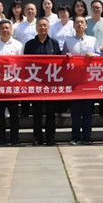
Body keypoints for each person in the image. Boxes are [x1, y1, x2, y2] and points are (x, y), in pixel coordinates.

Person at [24, 18, 62, 146]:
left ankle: (50, 137)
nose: (43, 28)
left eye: (45, 25)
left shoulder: (54, 43)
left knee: (51, 112)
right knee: (37, 112)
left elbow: (59, 61)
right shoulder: (29, 44)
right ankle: (37, 137)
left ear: (48, 27)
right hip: (36, 83)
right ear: (36, 28)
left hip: (50, 84)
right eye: (40, 26)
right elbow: (25, 63)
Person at [63, 16, 100, 145]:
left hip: (88, 81)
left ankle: (87, 137)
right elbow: (61, 58)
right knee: (75, 111)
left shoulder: (92, 40)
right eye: (77, 22)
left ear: (86, 25)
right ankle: (75, 137)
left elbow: (100, 56)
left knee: (87, 111)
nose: (79, 24)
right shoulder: (68, 41)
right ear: (73, 26)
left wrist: (93, 55)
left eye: (82, 22)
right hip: (74, 81)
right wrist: (66, 56)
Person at [0, 19, 23, 146]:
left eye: (7, 28)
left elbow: (21, 65)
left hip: (13, 85)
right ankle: (1, 138)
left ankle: (15, 138)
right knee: (0, 114)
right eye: (2, 28)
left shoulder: (18, 45)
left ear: (11, 30)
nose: (5, 30)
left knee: (14, 114)